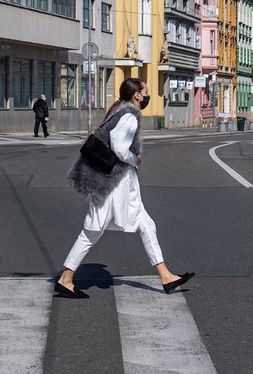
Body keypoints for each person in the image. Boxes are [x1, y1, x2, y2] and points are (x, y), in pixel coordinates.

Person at [57, 78, 193, 299]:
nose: (148, 94)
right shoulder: (129, 115)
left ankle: (166, 276)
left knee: (146, 225)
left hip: (117, 182)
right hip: (112, 184)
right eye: (146, 91)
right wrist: (135, 159)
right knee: (93, 230)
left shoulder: (120, 110)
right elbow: (120, 149)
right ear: (137, 95)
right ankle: (66, 278)